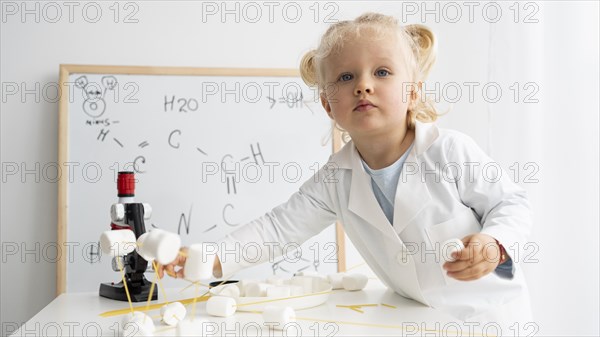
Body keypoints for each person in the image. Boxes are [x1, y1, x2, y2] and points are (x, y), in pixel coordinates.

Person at [159, 12, 532, 331]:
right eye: (345, 78)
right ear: (327, 105)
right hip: (416, 319)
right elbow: (276, 229)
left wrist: (493, 244)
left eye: (382, 72)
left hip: (488, 321)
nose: (363, 86)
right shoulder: (335, 178)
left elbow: (511, 203)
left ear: (413, 93)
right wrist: (204, 257)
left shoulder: (449, 151)